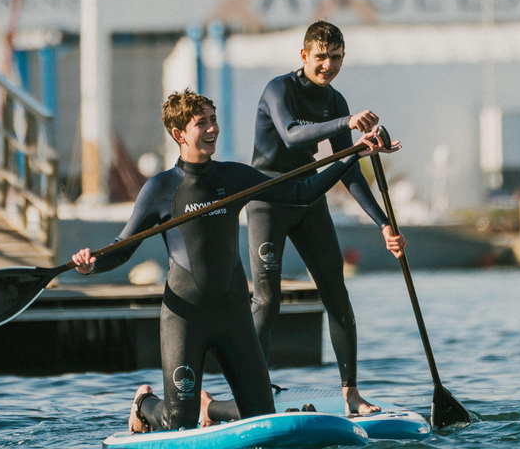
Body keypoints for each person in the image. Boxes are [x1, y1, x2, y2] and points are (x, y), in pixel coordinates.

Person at [72, 89, 395, 433]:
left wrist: (354, 153)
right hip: (186, 319)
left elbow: (300, 195)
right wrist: (94, 264)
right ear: (179, 134)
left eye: (213, 120)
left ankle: (209, 407)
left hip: (233, 315)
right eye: (202, 123)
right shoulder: (161, 188)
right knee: (177, 423)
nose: (212, 129)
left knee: (262, 416)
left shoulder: (233, 177)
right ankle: (143, 405)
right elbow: (124, 246)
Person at [248, 20, 406, 415]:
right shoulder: (278, 89)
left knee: (336, 291)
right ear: (304, 56)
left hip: (307, 196)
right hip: (267, 199)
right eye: (321, 57)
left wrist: (384, 223)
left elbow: (347, 168)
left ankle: (351, 394)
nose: (328, 66)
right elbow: (291, 135)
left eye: (336, 58)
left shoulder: (335, 101)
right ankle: (250, 388)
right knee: (267, 302)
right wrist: (347, 126)